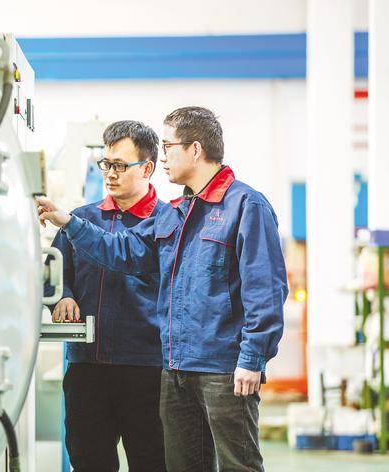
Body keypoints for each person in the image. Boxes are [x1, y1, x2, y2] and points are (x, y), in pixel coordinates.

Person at [38, 107, 288, 471]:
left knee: (236, 465)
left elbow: (265, 291)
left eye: (169, 146)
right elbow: (123, 250)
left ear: (195, 150)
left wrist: (252, 359)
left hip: (221, 369)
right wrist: (68, 221)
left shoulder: (246, 206)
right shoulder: (176, 213)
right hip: (175, 370)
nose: (164, 156)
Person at [49, 120, 166, 471]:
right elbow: (52, 273)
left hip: (148, 369)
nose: (110, 174)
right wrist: (62, 296)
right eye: (106, 164)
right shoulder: (81, 219)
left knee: (152, 461)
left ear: (147, 168)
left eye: (120, 165)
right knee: (89, 460)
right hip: (87, 368)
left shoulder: (167, 223)